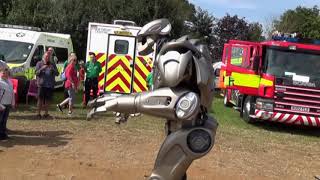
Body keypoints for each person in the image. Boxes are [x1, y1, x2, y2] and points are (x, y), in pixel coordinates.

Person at [35, 52, 59, 119]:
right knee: (40, 100)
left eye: (49, 57)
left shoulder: (52, 64)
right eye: (46, 57)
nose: (47, 58)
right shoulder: (39, 63)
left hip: (50, 85)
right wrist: (42, 68)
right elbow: (36, 73)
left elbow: (57, 73)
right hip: (42, 85)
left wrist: (53, 69)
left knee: (48, 100)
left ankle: (46, 113)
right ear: (43, 57)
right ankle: (38, 113)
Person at [0, 66, 15, 140]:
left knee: (4, 120)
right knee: (0, 120)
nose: (3, 73)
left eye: (5, 72)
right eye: (2, 72)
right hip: (1, 104)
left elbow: (12, 93)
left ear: (7, 73)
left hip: (8, 103)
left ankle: (3, 134)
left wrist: (13, 103)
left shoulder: (9, 81)